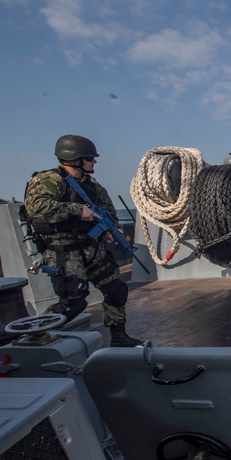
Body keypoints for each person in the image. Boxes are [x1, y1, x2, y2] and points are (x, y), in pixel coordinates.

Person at [23, 134, 144, 347]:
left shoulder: (92, 185)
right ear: (74, 158)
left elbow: (106, 210)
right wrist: (78, 210)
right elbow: (37, 208)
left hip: (91, 247)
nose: (94, 161)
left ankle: (119, 337)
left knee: (116, 289)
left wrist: (109, 228)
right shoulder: (48, 180)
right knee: (73, 303)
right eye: (90, 157)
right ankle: (36, 336)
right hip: (64, 250)